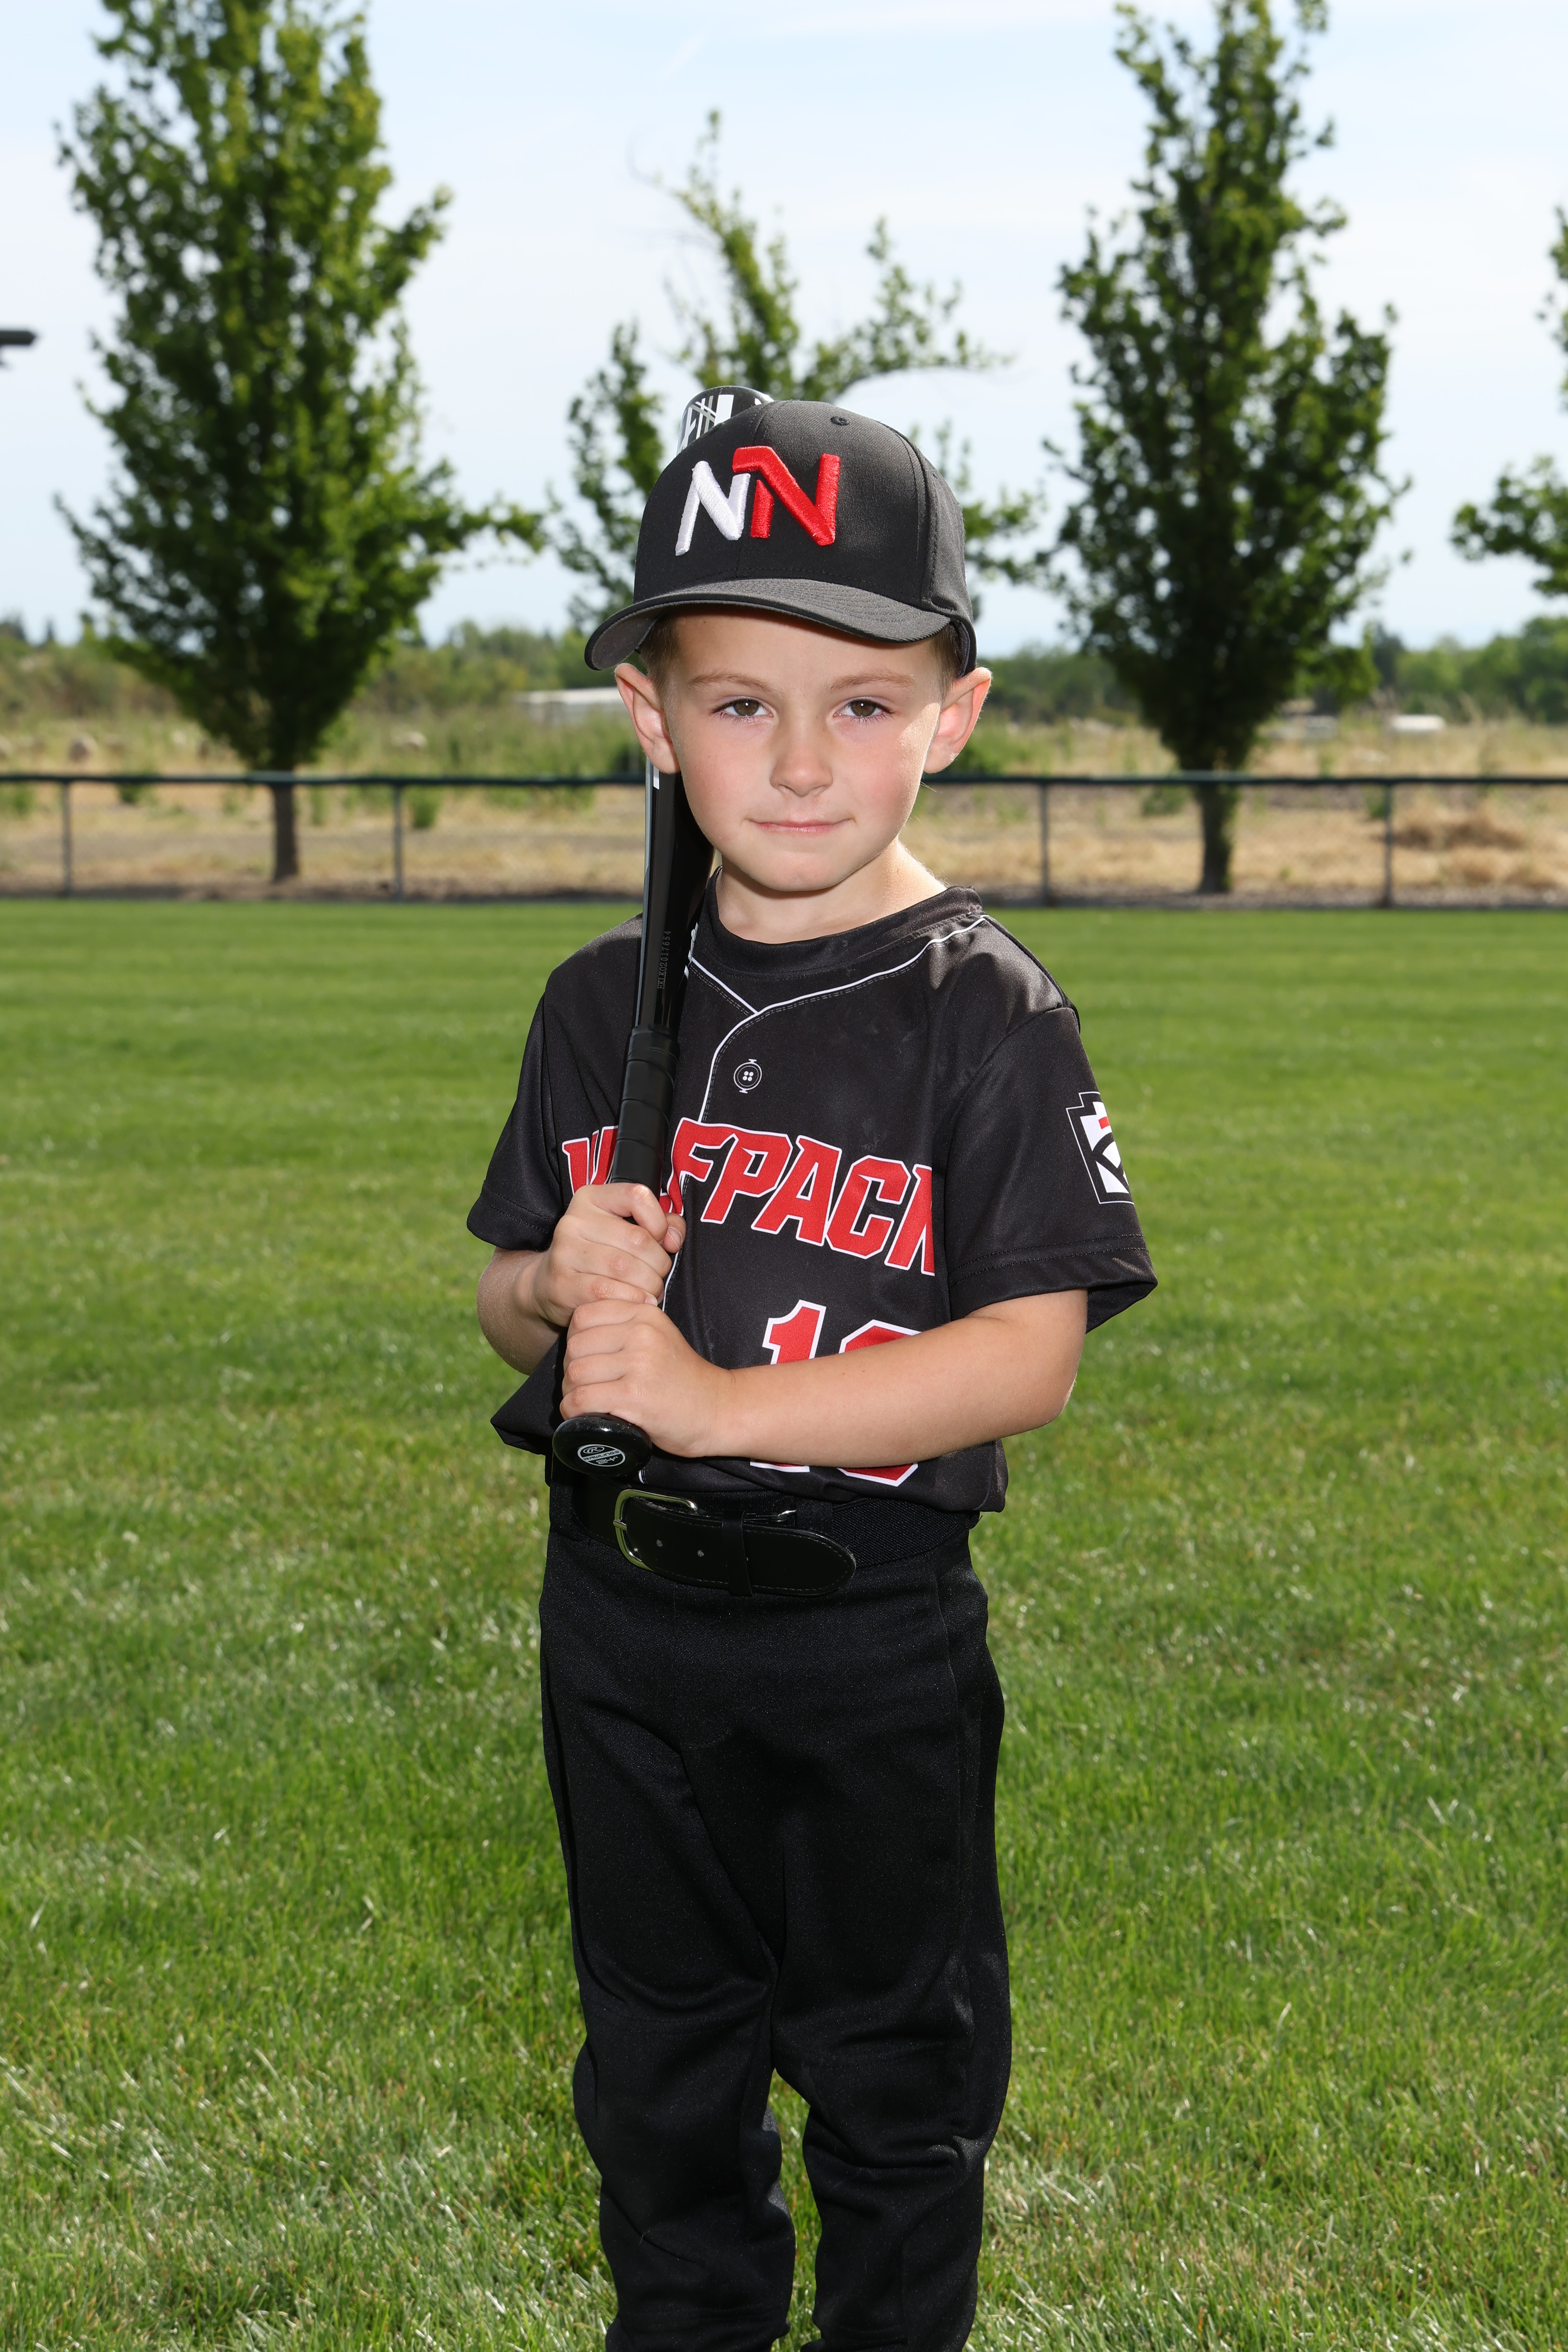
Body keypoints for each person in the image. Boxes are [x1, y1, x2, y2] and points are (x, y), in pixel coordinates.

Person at [469, 394, 1155, 2352]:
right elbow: (513, 1312)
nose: (793, 760)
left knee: (892, 2078)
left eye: (860, 705)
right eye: (736, 702)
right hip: (620, 1624)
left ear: (954, 713)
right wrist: (548, 1279)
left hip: (864, 1638)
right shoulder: (602, 1002)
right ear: (647, 718)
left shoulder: (984, 1012)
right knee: (658, 2077)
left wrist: (713, 1404)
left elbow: (1026, 1357)